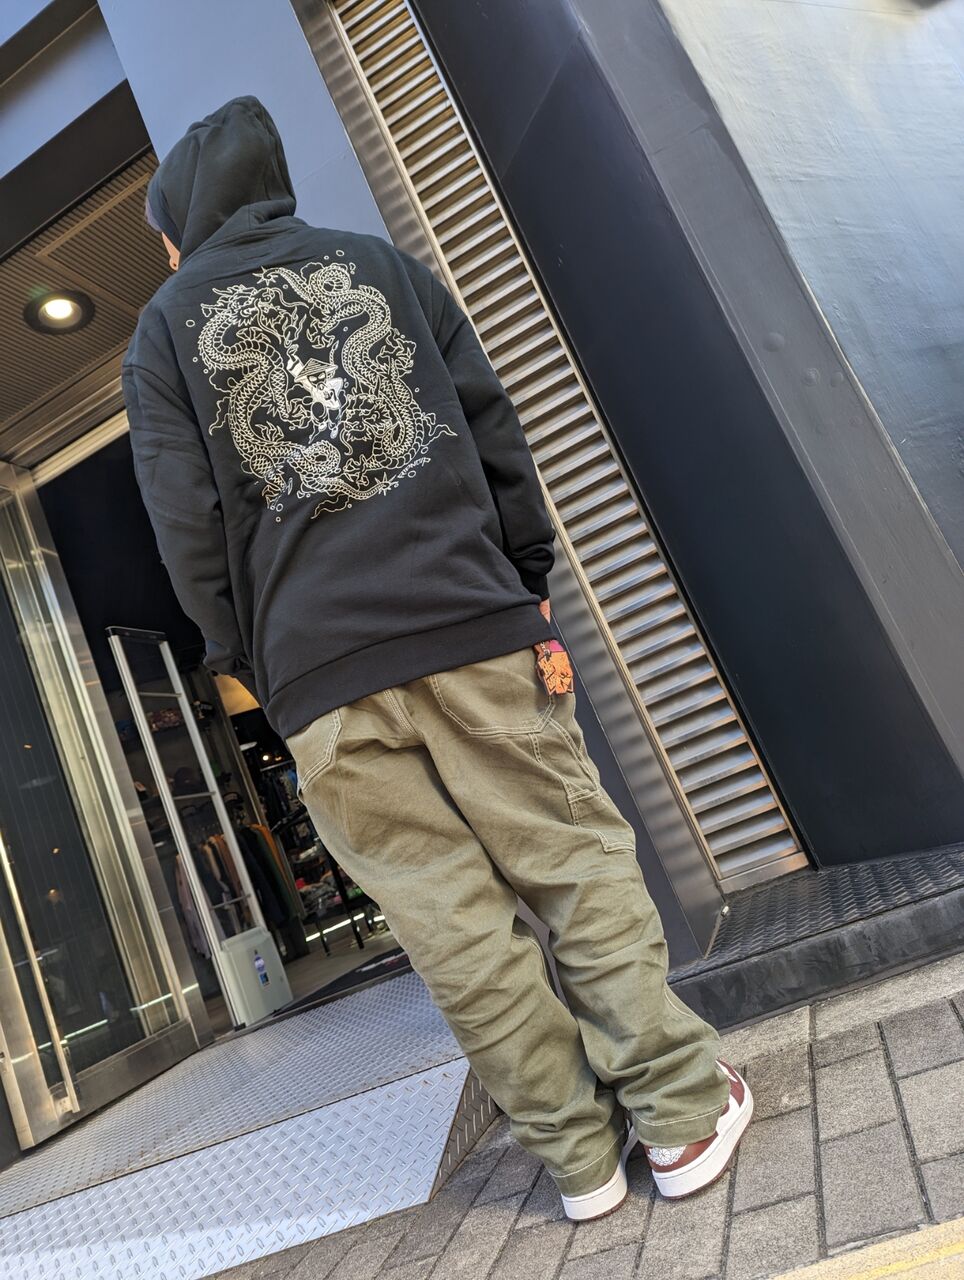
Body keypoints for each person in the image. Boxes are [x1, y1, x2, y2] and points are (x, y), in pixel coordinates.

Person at [125, 95, 752, 1220]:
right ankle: (680, 1115)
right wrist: (523, 576)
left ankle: (579, 1160)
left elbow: (187, 527)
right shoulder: (382, 266)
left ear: (185, 214)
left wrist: (257, 662)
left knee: (452, 927)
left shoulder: (164, 328)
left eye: (163, 231)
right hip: (466, 621)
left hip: (321, 680)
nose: (167, 253)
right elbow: (491, 427)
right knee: (570, 864)